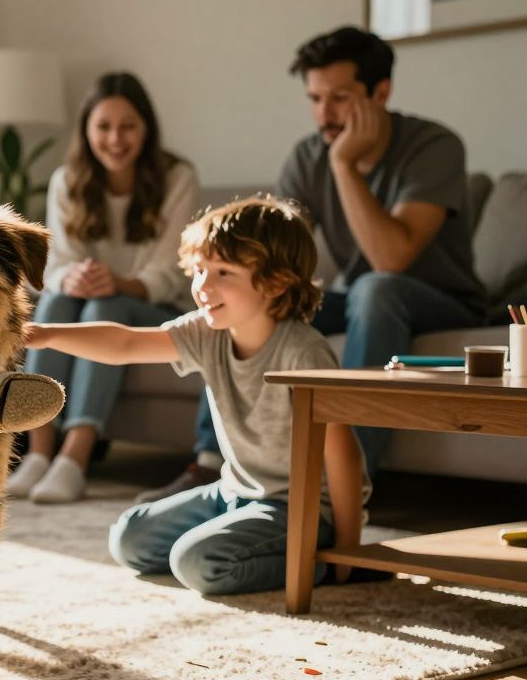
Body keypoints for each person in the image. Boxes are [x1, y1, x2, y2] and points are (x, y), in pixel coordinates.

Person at [151, 25, 485, 503]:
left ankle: (349, 484)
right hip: (362, 300)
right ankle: (209, 462)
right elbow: (261, 257)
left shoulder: (433, 147)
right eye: (315, 98)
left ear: (381, 92)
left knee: (376, 287)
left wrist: (344, 167)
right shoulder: (307, 156)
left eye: (340, 98)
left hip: (442, 300)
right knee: (251, 298)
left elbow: (392, 259)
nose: (324, 115)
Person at [27, 196, 370, 594]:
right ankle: (252, 545)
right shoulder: (208, 332)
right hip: (234, 491)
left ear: (276, 282)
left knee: (198, 562)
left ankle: (319, 567)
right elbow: (125, 345)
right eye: (200, 270)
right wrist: (46, 334)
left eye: (223, 272)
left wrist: (349, 553)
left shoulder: (304, 353)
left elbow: (343, 452)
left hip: (302, 510)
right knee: (130, 538)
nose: (203, 287)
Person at [6, 72, 199, 504]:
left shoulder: (177, 177)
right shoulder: (66, 180)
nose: (115, 139)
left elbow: (169, 273)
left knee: (102, 309)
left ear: (146, 129)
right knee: (55, 299)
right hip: (84, 300)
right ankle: (39, 453)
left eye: (128, 126)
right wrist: (70, 278)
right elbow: (56, 264)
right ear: (87, 131)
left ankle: (75, 456)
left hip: (154, 306)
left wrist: (118, 282)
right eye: (104, 127)